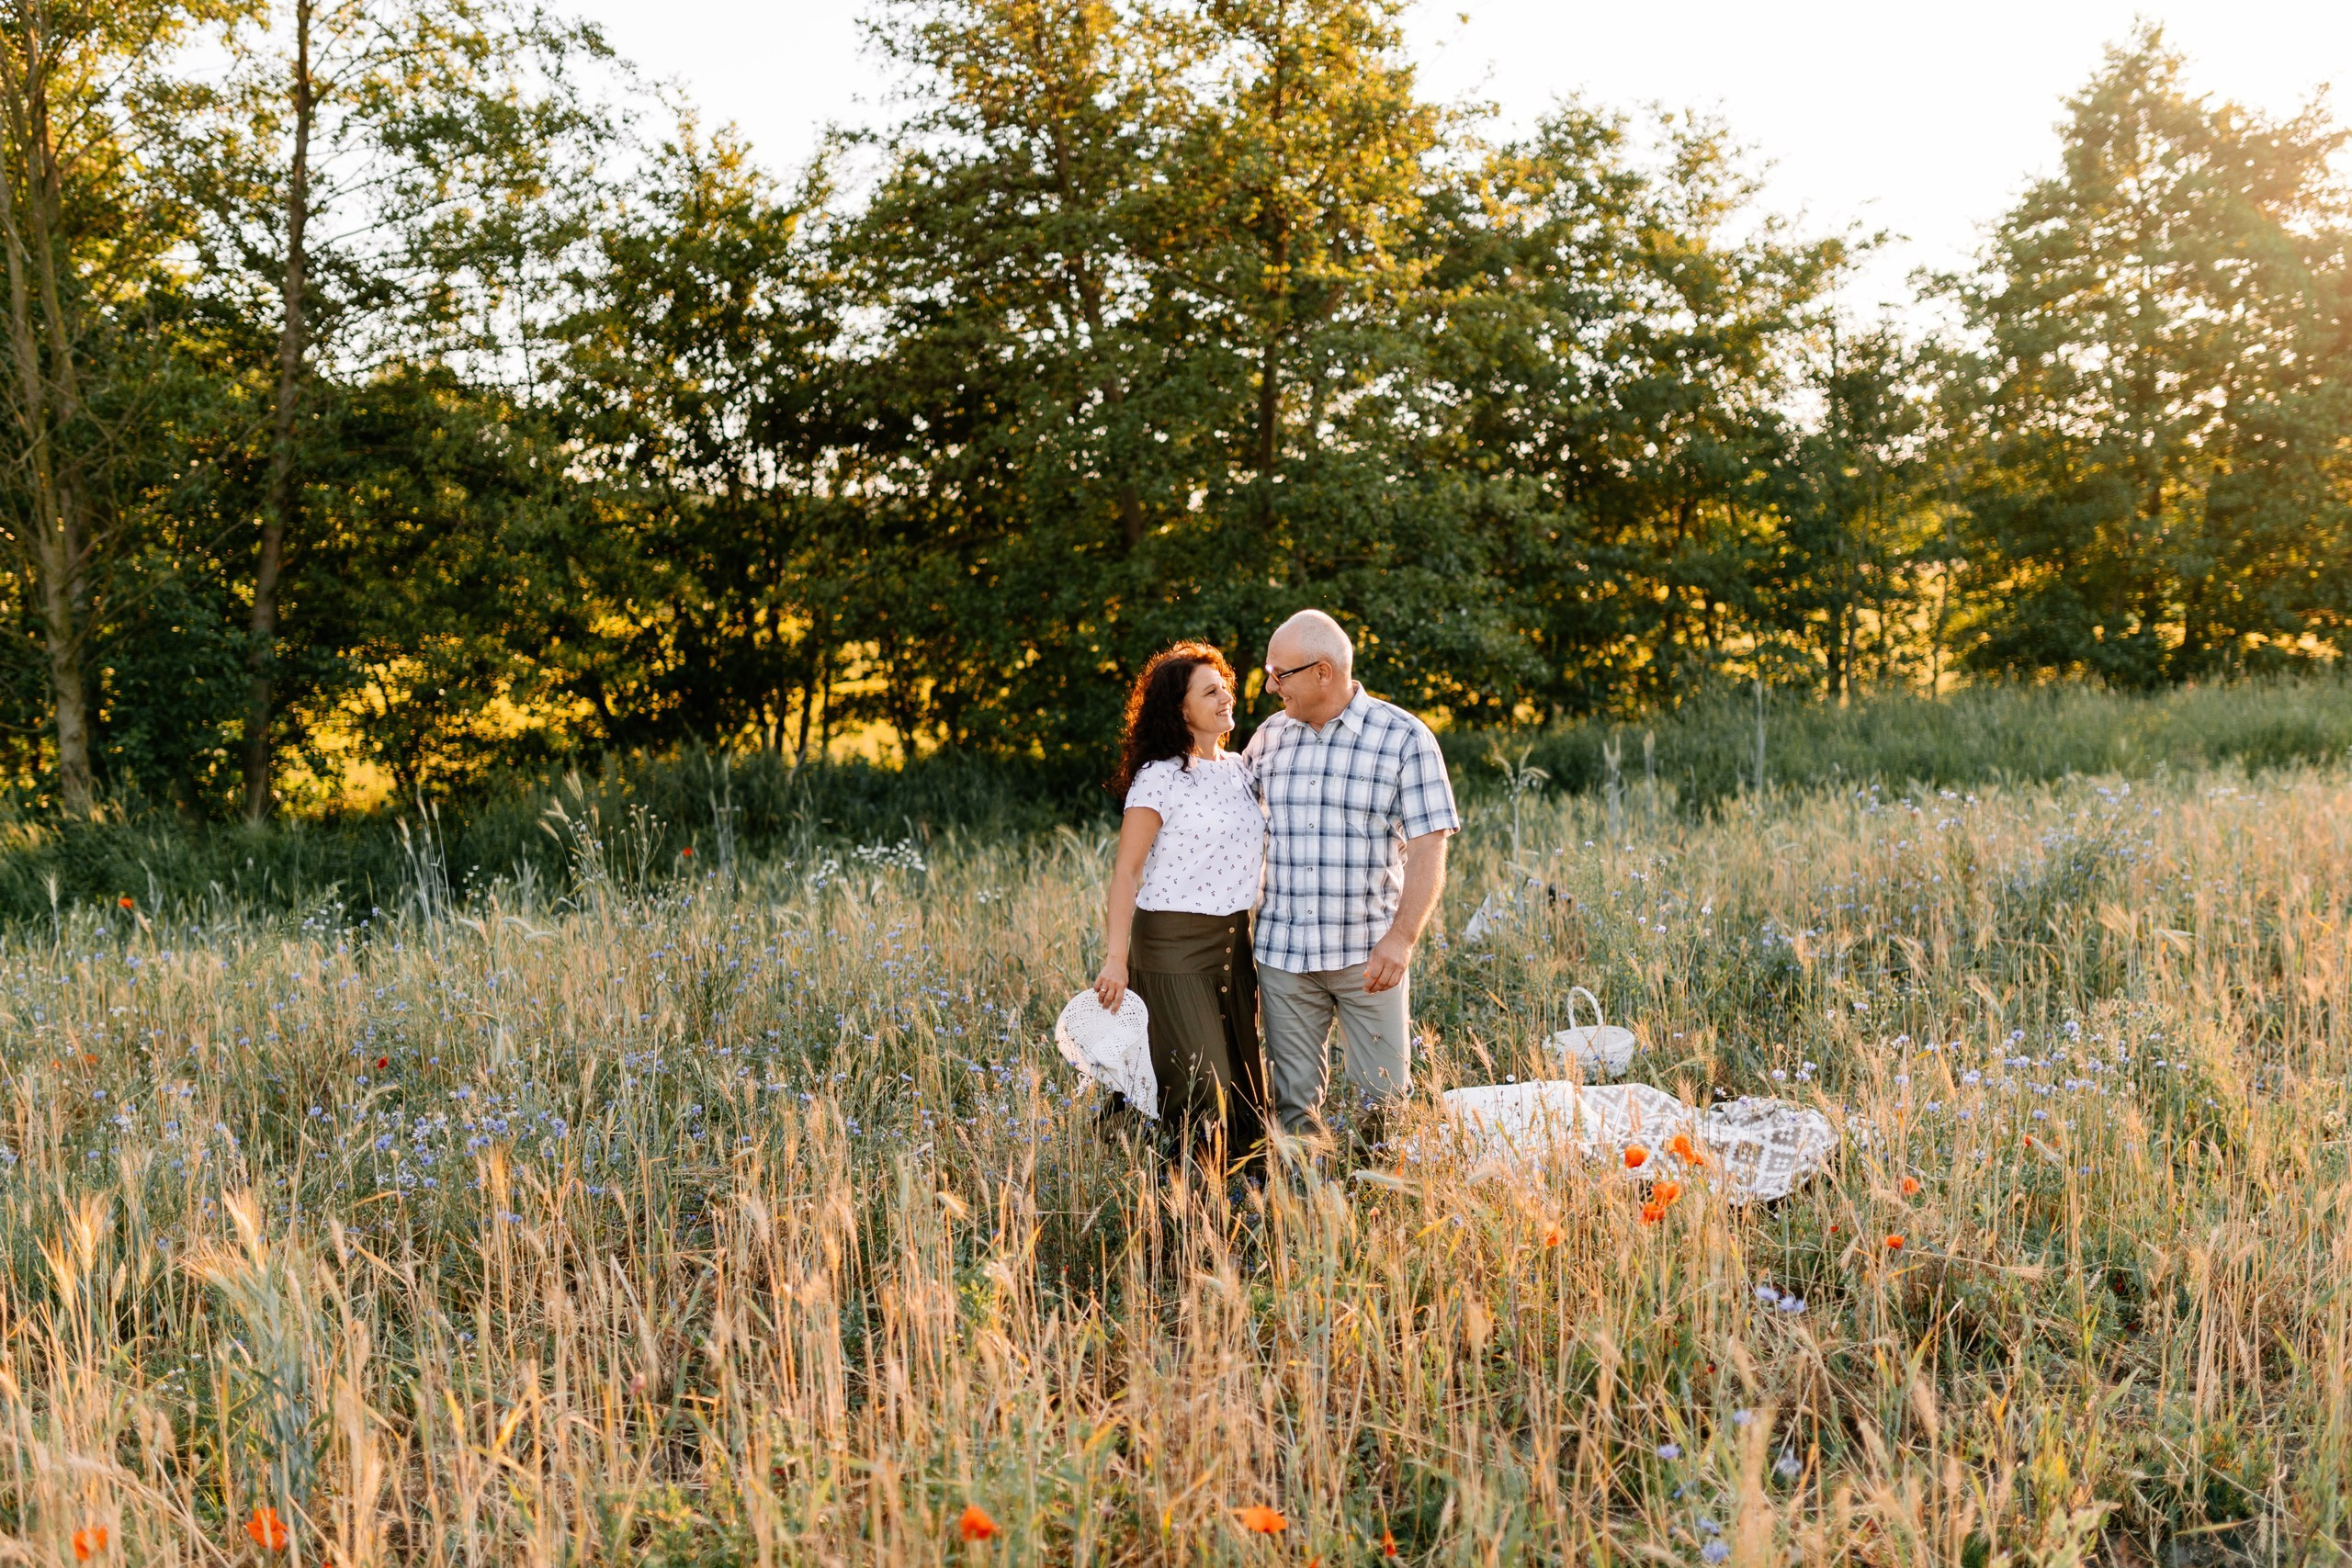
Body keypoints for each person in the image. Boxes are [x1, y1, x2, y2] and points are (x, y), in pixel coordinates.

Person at [1243, 610, 1458, 1149]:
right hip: (1283, 956)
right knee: (1293, 1107)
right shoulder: (1268, 739)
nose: (1270, 686)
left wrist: (1402, 939)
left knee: (1383, 1104)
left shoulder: (1405, 737)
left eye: (1279, 673)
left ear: (1322, 672)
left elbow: (1431, 846)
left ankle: (1378, 1213)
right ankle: (1304, 1212)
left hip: (1370, 956)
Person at [1093, 642, 1269, 1164]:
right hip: (1170, 946)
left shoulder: (1242, 769)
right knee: (1203, 1084)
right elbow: (1127, 872)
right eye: (1210, 691)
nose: (1226, 699)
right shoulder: (1160, 777)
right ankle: (1176, 1199)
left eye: (1226, 688)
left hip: (1235, 945)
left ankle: (1226, 1199)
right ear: (1180, 709)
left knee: (1242, 1089)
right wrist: (1115, 959)